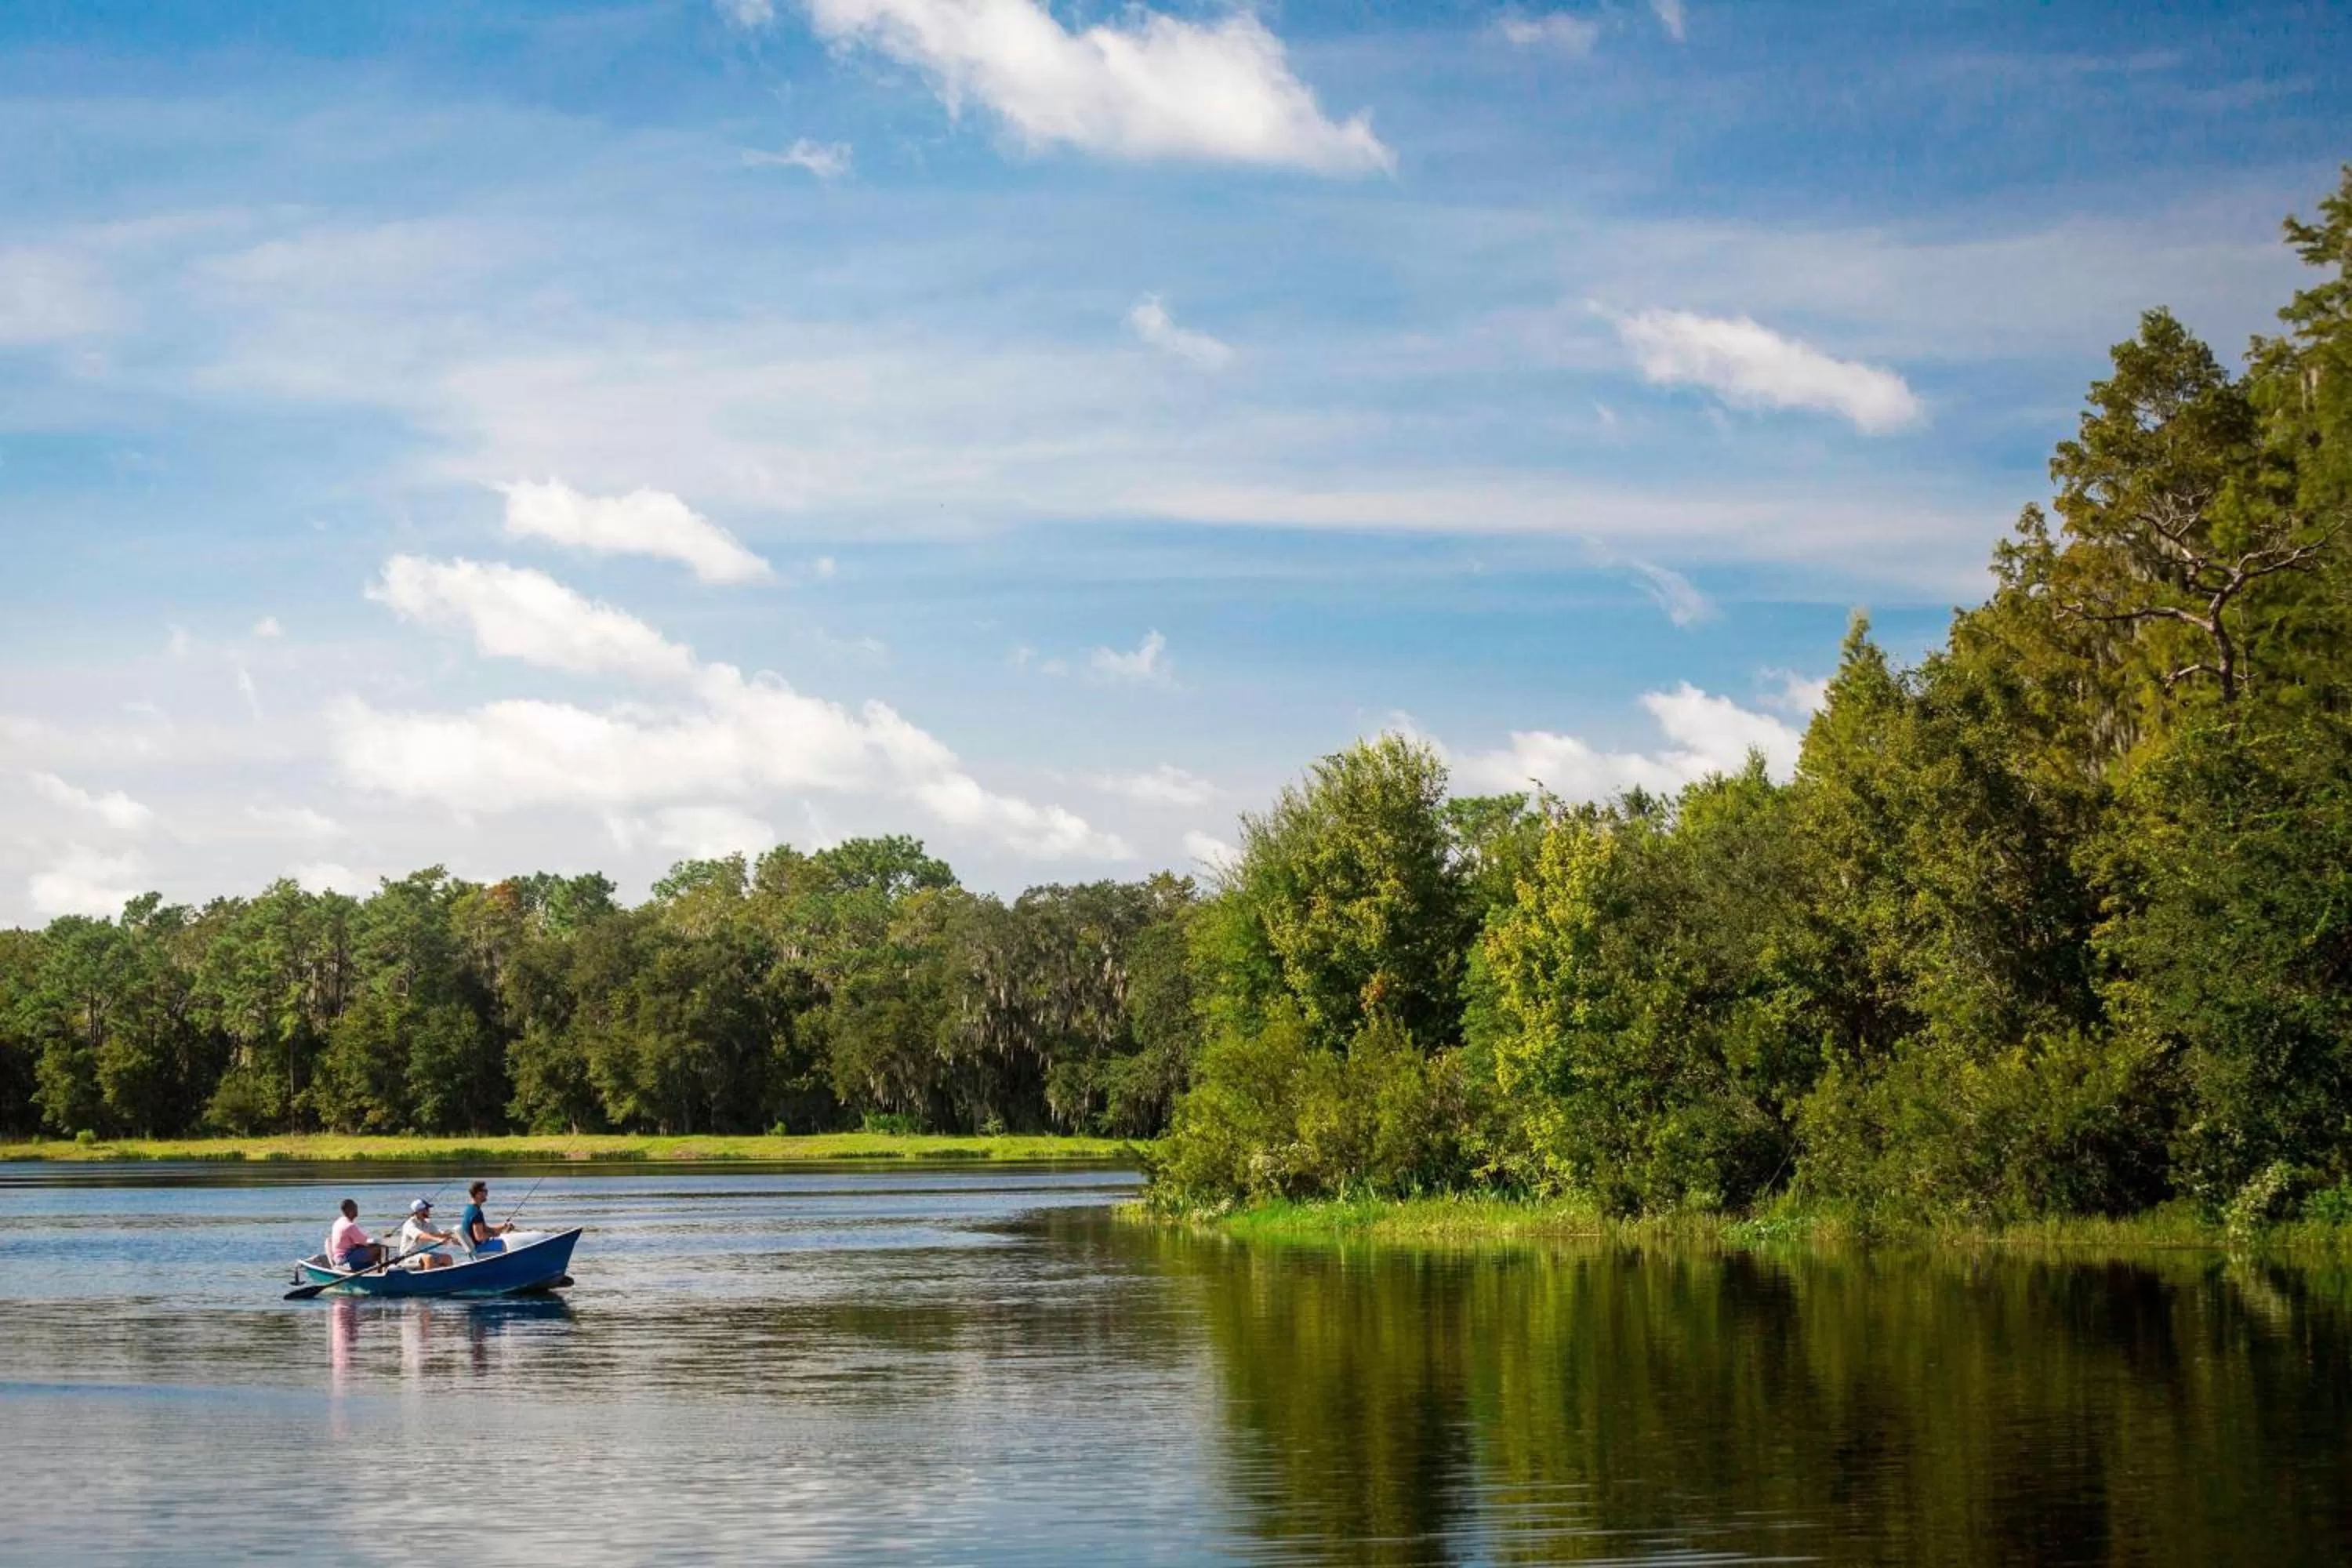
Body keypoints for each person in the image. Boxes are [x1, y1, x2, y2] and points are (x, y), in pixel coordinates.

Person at [397, 1197, 457, 1269]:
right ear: (419, 1211)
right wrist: (437, 1240)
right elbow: (421, 1236)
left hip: (423, 1254)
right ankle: (428, 1280)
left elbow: (440, 1233)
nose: (429, 1212)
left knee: (447, 1258)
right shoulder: (409, 1224)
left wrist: (452, 1235)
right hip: (409, 1255)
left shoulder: (428, 1223)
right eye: (427, 1210)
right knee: (429, 1258)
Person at [325, 1198, 384, 1272]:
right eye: (355, 1207)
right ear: (349, 1210)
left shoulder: (338, 1222)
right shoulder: (349, 1226)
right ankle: (379, 1271)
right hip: (344, 1259)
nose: (357, 1209)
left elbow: (352, 1242)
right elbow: (365, 1242)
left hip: (338, 1256)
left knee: (366, 1249)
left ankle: (369, 1267)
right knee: (377, 1249)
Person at [458, 1181, 513, 1255]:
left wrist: (503, 1227)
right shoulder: (476, 1213)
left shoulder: (470, 1208)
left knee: (503, 1240)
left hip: (476, 1247)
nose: (487, 1194)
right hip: (479, 1248)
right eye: (485, 1191)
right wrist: (493, 1234)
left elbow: (486, 1229)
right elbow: (479, 1237)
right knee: (507, 1244)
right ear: (477, 1194)